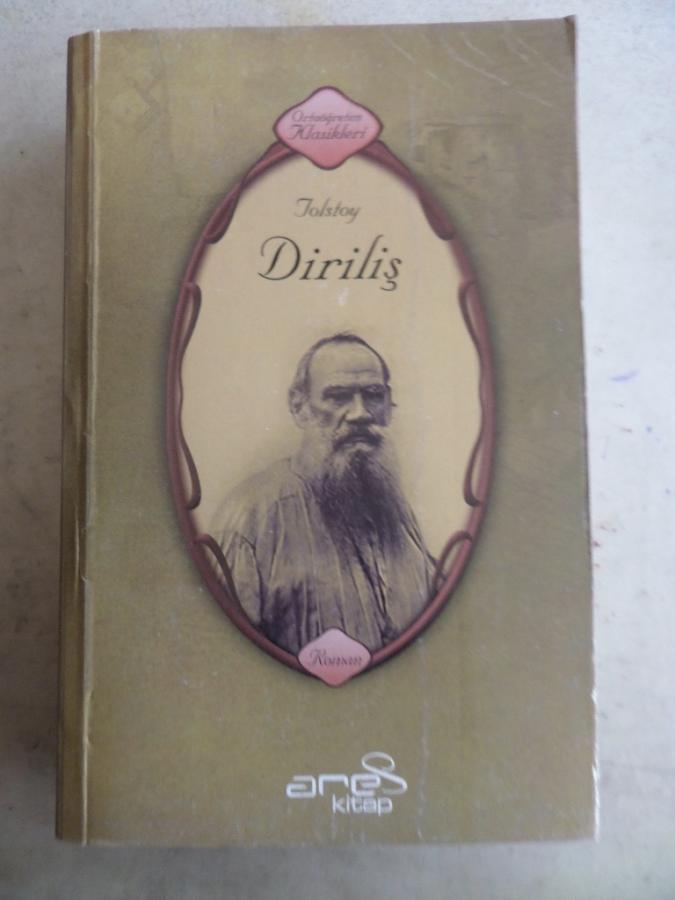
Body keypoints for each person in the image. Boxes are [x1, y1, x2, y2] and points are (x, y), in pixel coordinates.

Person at [210, 333, 435, 655]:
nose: (360, 413)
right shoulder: (249, 520)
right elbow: (227, 656)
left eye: (373, 395)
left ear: (388, 406)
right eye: (338, 396)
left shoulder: (397, 513)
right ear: (299, 407)